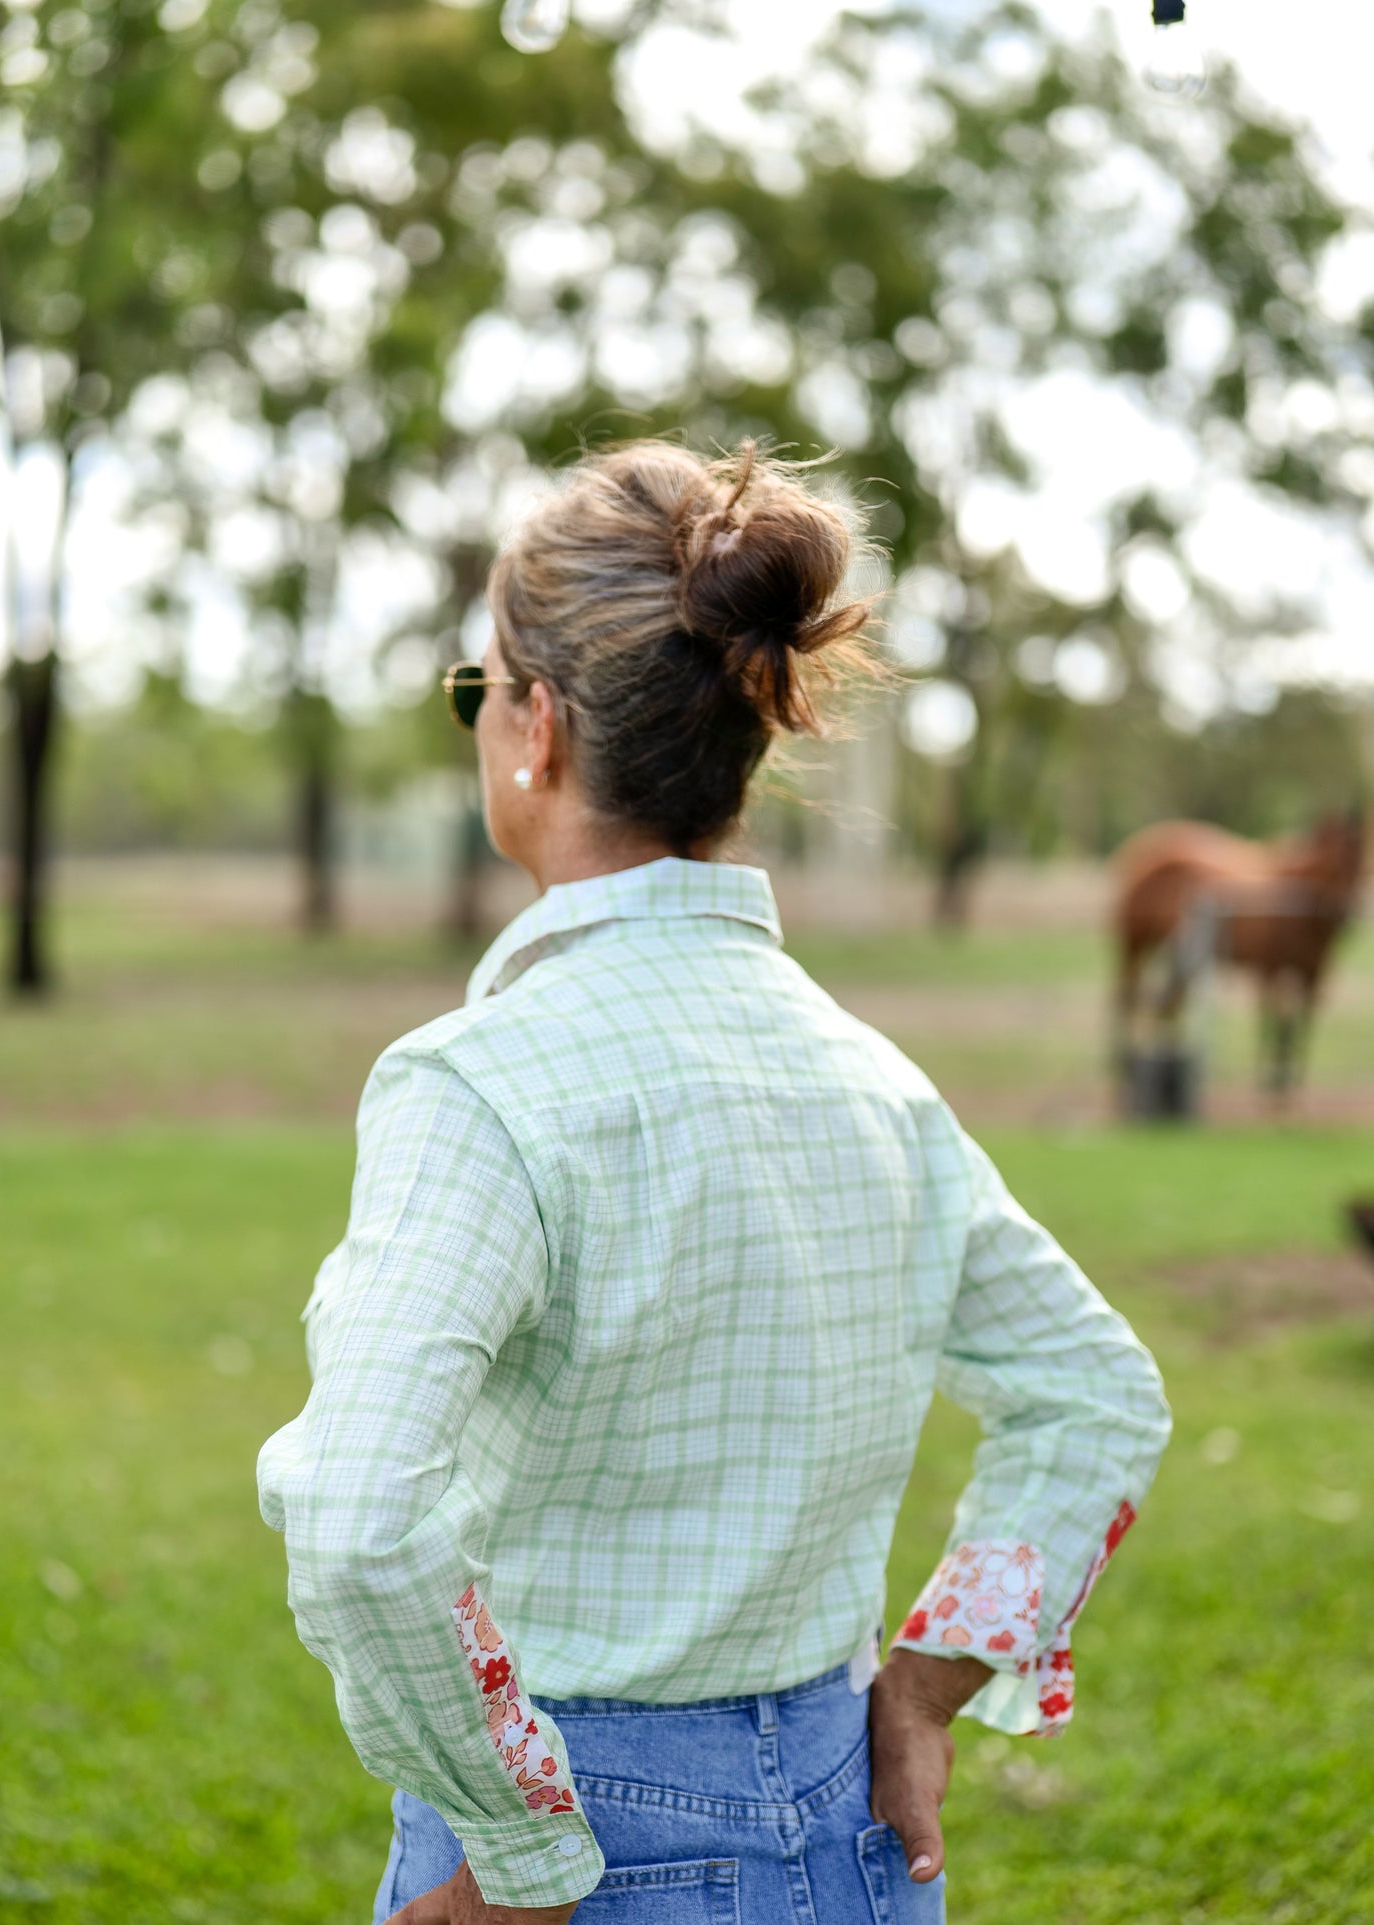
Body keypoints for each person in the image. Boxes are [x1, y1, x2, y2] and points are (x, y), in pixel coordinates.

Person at [257, 441, 1172, 1925]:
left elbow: (360, 1515)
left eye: (472, 689)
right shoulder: (874, 1080)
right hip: (855, 1834)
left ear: (536, 725)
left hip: (574, 1841)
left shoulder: (480, 1085)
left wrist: (517, 1844)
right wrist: (924, 1692)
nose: (480, 718)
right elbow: (1095, 1392)